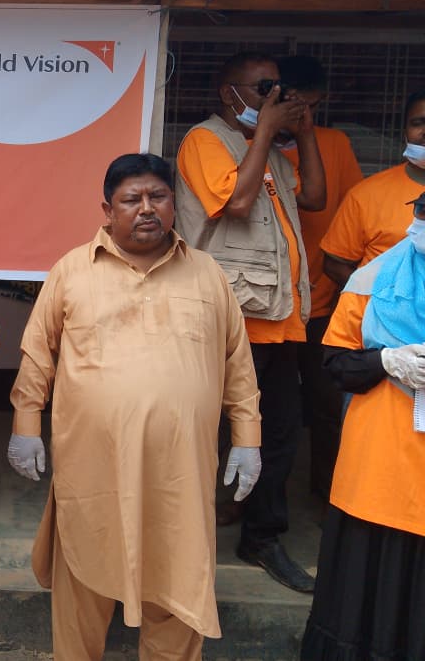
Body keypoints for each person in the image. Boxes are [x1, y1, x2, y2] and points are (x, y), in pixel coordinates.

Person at [7, 153, 262, 660]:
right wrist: (25, 426)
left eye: (157, 197)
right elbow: (38, 354)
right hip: (93, 468)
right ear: (108, 209)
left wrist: (247, 439)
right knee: (83, 580)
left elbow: (238, 363)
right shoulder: (72, 271)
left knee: (179, 583)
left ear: (173, 203)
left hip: (180, 472)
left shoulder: (207, 274)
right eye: (132, 199)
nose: (147, 208)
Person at [174, 51, 325, 593]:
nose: (274, 97)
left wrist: (303, 132)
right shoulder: (205, 140)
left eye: (279, 88)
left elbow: (315, 197)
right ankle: (187, 535)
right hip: (230, 319)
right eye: (264, 88)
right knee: (216, 432)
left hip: (278, 318)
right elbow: (237, 203)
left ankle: (261, 536)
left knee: (280, 431)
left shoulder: (273, 151)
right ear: (228, 92)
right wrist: (265, 129)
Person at [300, 191, 425, 660]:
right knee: (365, 590)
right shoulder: (371, 280)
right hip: (379, 467)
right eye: (421, 211)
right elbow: (336, 362)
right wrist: (386, 360)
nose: (421, 222)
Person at [277, 55, 363, 500]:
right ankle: (244, 501)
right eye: (296, 104)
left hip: (323, 300)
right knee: (258, 407)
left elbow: (352, 214)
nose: (303, 114)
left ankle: (328, 496)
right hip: (268, 304)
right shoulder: (250, 145)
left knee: (327, 405)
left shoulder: (335, 143)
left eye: (311, 106)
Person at [320, 89, 425, 288]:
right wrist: (380, 298)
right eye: (418, 123)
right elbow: (335, 265)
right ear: (404, 132)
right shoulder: (366, 194)